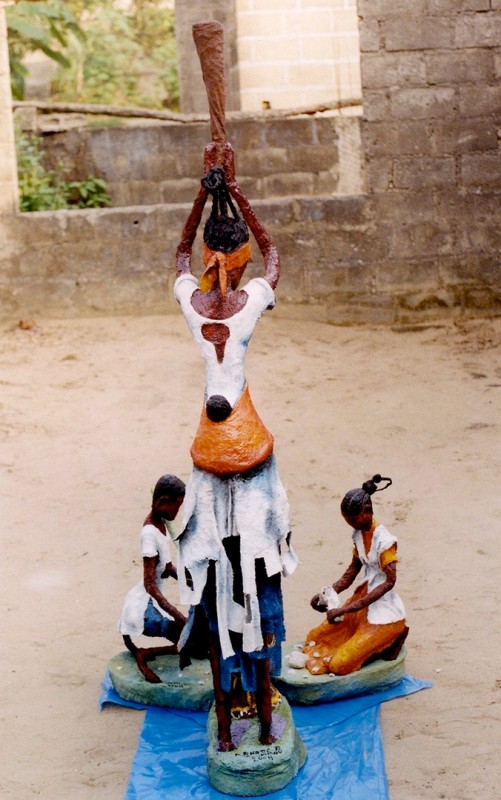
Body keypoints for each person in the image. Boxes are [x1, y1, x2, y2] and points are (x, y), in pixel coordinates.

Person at [174, 141, 298, 750]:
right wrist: (235, 193)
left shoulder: (195, 306)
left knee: (218, 573)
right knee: (258, 568)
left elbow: (175, 254)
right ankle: (263, 712)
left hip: (207, 450)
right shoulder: (248, 304)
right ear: (240, 259)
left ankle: (228, 728)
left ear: (206, 258)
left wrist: (206, 189)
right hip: (248, 449)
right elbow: (274, 253)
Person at [303, 474, 408, 676]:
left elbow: (389, 582)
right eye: (348, 521)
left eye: (353, 519)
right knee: (316, 637)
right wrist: (327, 593)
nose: (351, 525)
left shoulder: (384, 541)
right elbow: (351, 571)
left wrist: (349, 608)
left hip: (383, 613)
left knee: (339, 664)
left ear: (367, 511)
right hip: (361, 601)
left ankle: (392, 635)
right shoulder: (359, 533)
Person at [118, 474, 187, 683]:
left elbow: (166, 567)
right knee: (187, 639)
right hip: (142, 609)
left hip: (151, 601)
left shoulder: (161, 525)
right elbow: (150, 585)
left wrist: (188, 580)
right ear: (163, 503)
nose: (177, 511)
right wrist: (176, 614)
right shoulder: (149, 533)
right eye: (177, 506)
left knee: (191, 638)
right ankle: (143, 654)